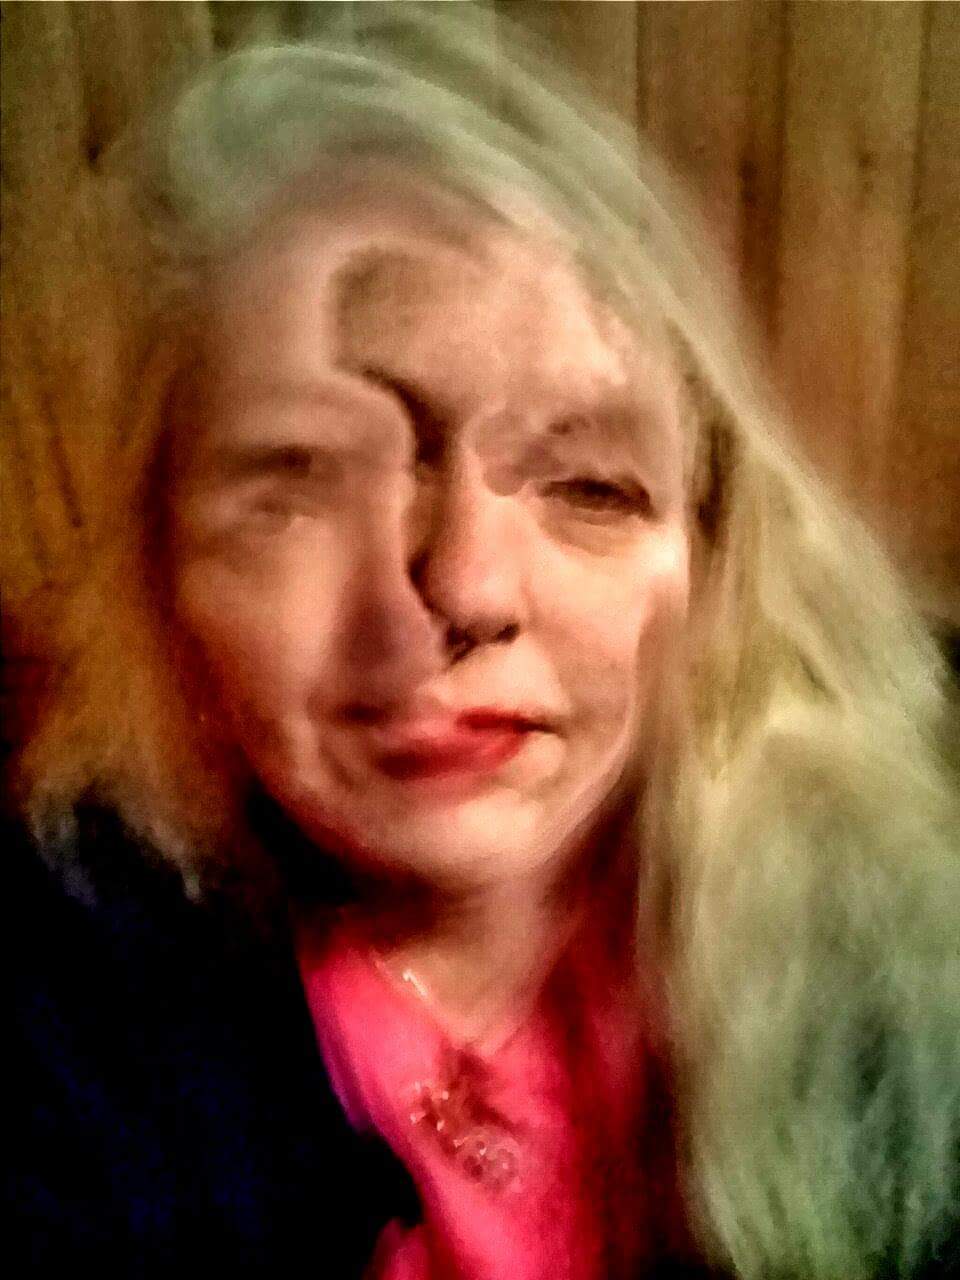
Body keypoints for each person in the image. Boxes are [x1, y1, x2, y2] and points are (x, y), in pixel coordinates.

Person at [8, 8, 959, 1278]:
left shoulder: (913, 913)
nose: (462, 586)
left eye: (590, 487)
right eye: (301, 478)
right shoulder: (58, 1013)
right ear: (162, 564)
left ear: (716, 554)